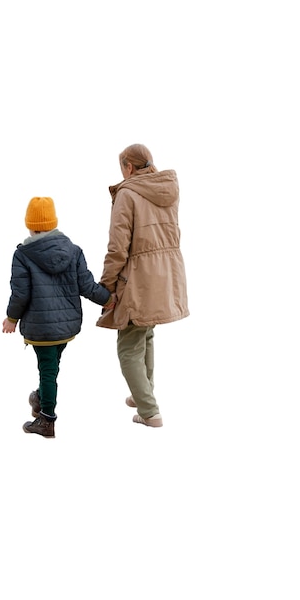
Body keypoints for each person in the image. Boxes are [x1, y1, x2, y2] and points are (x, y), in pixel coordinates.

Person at [3, 196, 114, 438]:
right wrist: (108, 299)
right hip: (67, 325)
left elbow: (20, 293)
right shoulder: (73, 251)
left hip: (40, 327)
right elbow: (87, 286)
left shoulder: (23, 255)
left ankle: (47, 419)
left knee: (47, 370)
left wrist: (11, 318)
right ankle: (41, 397)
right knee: (52, 366)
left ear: (29, 225)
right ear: (54, 223)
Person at [97, 143, 189, 428]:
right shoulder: (167, 188)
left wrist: (106, 284)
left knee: (127, 345)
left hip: (138, 277)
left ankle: (150, 412)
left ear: (128, 167)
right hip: (166, 274)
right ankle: (142, 394)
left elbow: (118, 247)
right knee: (145, 333)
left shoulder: (128, 193)